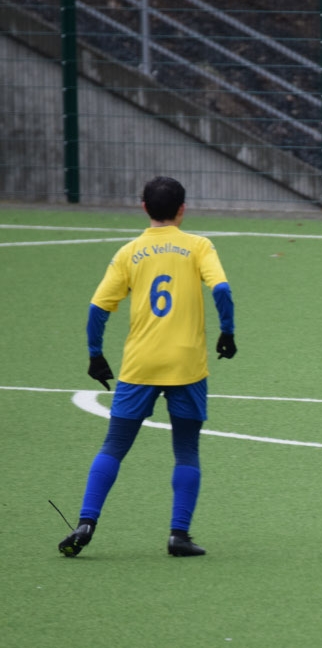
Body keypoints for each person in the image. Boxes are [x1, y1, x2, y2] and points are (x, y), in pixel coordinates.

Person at [58, 176, 237, 558]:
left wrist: (95, 354)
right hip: (187, 365)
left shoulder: (128, 253)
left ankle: (86, 522)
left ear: (144, 208)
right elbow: (221, 289)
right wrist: (228, 331)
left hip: (139, 365)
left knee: (114, 446)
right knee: (186, 450)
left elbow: (97, 308)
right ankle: (178, 535)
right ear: (182, 209)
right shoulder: (199, 246)